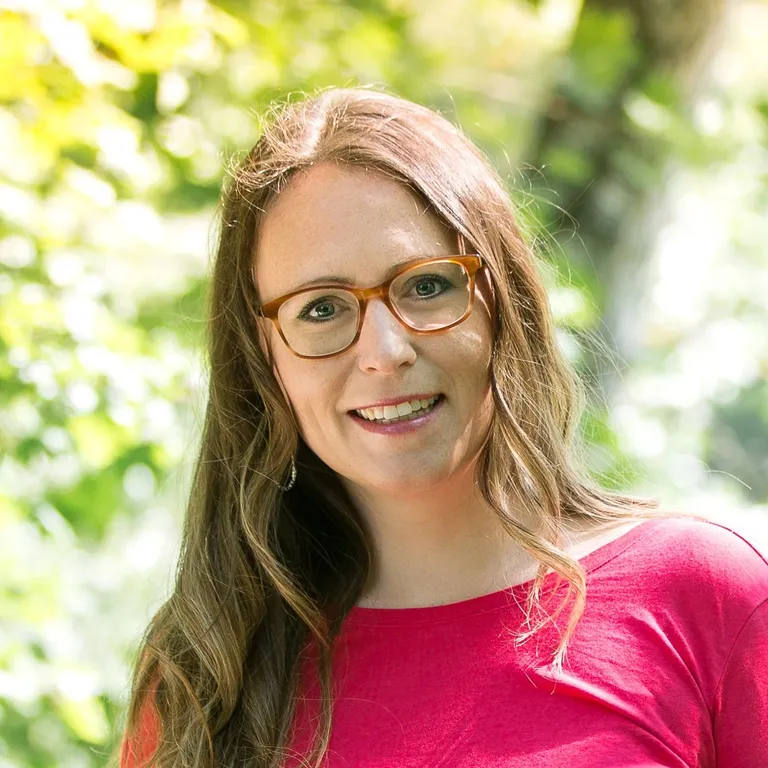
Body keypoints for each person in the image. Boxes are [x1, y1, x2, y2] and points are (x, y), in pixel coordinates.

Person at [118, 87, 768, 768]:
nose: (385, 350)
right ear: (265, 355)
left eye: (427, 286)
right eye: (321, 309)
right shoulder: (206, 672)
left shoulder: (703, 596)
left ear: (501, 303)